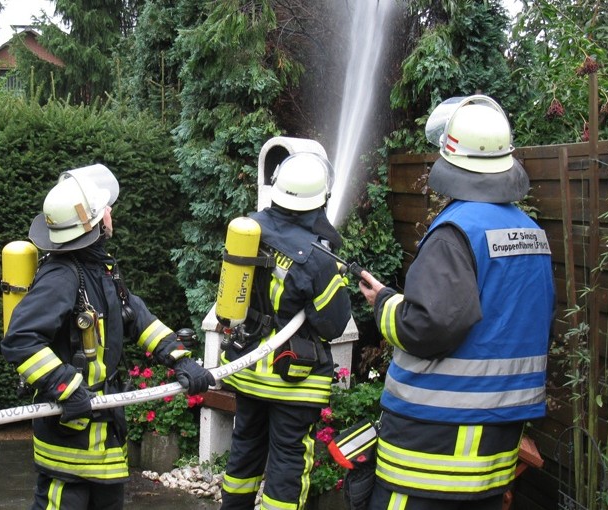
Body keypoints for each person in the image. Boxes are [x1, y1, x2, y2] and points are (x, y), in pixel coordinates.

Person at [356, 95, 556, 510]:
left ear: (451, 159)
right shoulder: (532, 234)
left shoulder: (455, 232)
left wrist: (384, 303)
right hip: (494, 451)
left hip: (431, 449)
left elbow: (425, 327)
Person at [1, 164, 215, 510]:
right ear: (95, 224)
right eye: (105, 209)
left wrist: (181, 359)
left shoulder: (100, 271)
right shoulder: (61, 277)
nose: (111, 212)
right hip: (70, 446)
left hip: (105, 445)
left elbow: (136, 317)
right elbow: (20, 340)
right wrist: (65, 387)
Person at [218, 151, 353, 510]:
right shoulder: (318, 259)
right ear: (319, 201)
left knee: (244, 449)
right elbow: (333, 323)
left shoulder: (248, 230)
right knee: (289, 462)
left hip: (247, 370)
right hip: (293, 379)